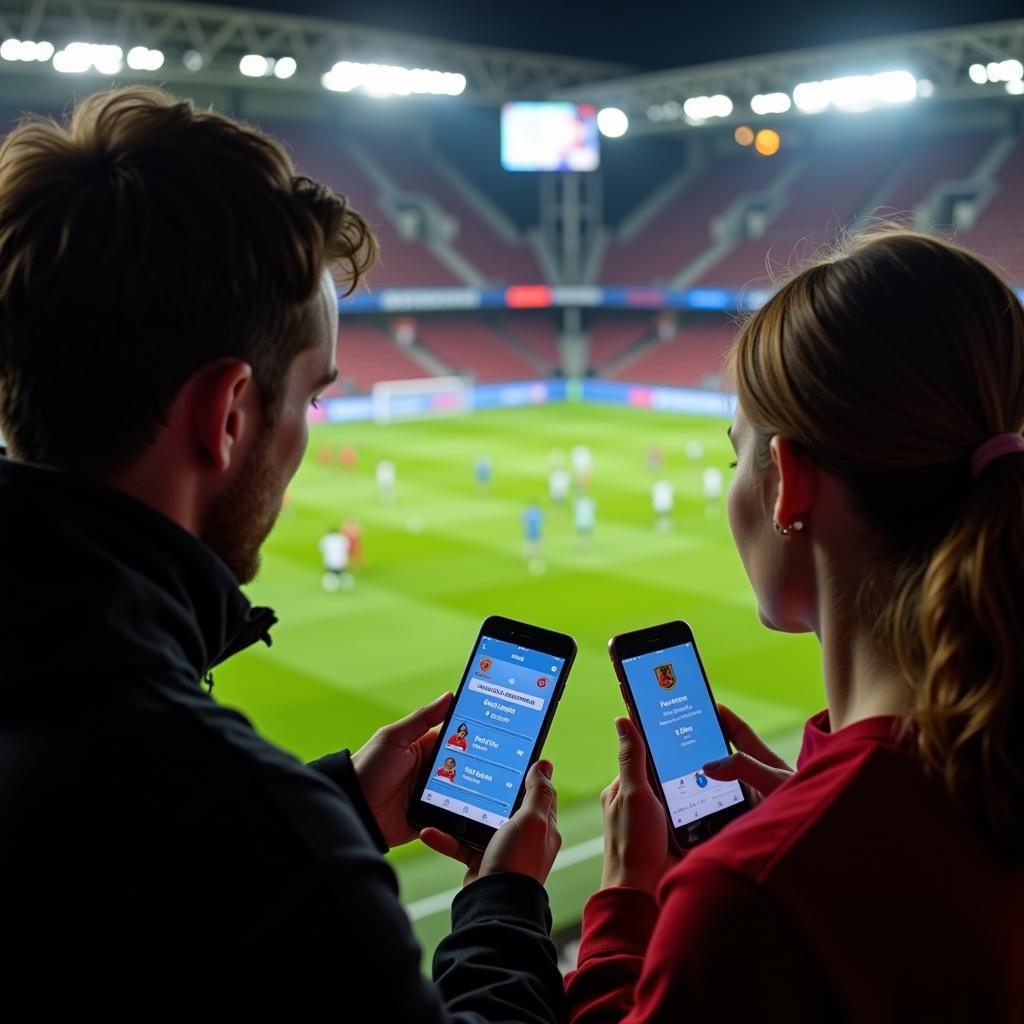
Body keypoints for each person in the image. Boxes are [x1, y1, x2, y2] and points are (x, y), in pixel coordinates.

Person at [0, 86, 565, 1011]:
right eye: (310, 396)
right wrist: (505, 904)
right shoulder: (249, 829)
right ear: (229, 415)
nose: (308, 430)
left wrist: (337, 804)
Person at [566, 231, 1024, 1020]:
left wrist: (622, 907)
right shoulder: (971, 775)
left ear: (791, 486)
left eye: (737, 455)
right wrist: (821, 796)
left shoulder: (752, 894)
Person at [319, 525, 352, 591]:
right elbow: (347, 548)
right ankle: (345, 584)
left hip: (330, 561)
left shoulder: (326, 539)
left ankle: (331, 586)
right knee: (342, 573)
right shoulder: (342, 538)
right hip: (342, 561)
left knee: (331, 574)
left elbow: (322, 549)